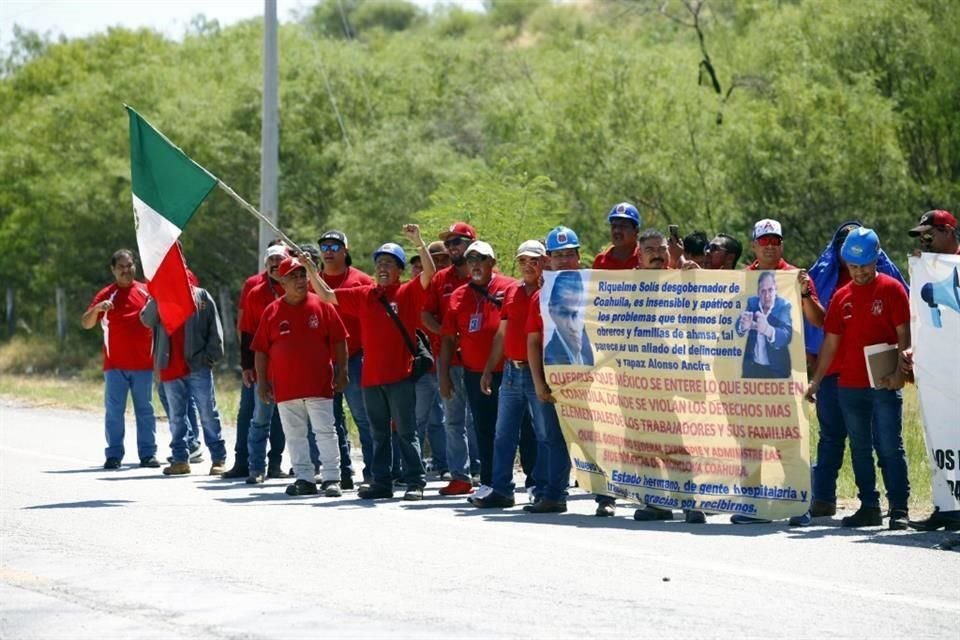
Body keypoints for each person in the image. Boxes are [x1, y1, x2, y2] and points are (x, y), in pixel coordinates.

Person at [308, 225, 436, 501]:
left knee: (406, 432)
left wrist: (418, 242)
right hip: (371, 378)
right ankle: (382, 482)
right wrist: (310, 269)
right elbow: (327, 295)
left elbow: (430, 273)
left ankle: (415, 482)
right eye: (379, 263)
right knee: (379, 434)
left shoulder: (408, 293)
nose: (382, 268)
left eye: (389, 263)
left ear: (399, 270)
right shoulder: (365, 295)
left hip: (400, 377)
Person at [793, 221, 907, 526]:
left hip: (883, 381)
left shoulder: (892, 288)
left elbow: (904, 333)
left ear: (876, 257)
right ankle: (865, 506)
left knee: (888, 446)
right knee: (856, 447)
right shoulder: (840, 293)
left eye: (865, 265)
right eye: (853, 265)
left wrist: (901, 372)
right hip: (847, 383)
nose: (859, 271)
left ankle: (899, 509)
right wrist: (816, 380)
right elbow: (829, 340)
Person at [252, 256, 348, 497]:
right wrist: (262, 382)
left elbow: (339, 340)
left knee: (325, 432)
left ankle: (332, 478)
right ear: (282, 282)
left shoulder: (322, 305)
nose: (300, 280)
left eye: (302, 275)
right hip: (287, 387)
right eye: (293, 276)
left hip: (319, 384)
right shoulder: (272, 311)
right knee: (295, 435)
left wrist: (343, 371)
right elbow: (261, 350)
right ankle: (304, 478)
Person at [472, 240, 546, 508]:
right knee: (503, 434)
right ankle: (502, 489)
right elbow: (502, 334)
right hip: (511, 372)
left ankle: (543, 488)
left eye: (534, 261)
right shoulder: (512, 291)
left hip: (538, 371)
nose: (528, 266)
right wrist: (488, 369)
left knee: (543, 434)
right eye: (523, 261)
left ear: (544, 262)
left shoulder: (549, 291)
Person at [439, 240, 515, 498]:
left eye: (480, 259)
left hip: (510, 371)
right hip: (473, 373)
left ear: (492, 262)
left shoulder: (509, 287)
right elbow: (448, 338)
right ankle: (489, 481)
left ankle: (534, 482)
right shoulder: (459, 295)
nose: (475, 265)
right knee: (484, 428)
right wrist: (443, 375)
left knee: (518, 428)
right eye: (470, 260)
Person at [140, 271, 228, 476]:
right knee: (176, 417)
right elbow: (146, 320)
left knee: (207, 412)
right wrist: (157, 295)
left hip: (198, 366)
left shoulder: (201, 296)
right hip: (170, 365)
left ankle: (218, 458)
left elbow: (215, 330)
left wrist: (209, 358)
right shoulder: (160, 296)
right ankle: (180, 460)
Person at [905, 209, 960, 533]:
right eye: (922, 236)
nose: (925, 240)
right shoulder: (925, 270)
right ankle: (947, 506)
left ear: (949, 231)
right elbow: (925, 323)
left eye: (930, 234)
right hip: (940, 372)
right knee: (940, 436)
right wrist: (916, 349)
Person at [81, 249, 158, 469]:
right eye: (121, 267)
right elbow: (86, 323)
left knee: (145, 411)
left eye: (129, 265)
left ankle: (148, 454)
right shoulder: (107, 294)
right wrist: (97, 309)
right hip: (115, 366)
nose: (126, 270)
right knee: (115, 412)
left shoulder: (146, 292)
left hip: (144, 364)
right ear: (113, 270)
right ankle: (114, 455)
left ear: (135, 266)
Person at [525, 226, 582, 514]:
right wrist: (538, 383)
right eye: (557, 255)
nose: (563, 260)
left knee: (598, 437)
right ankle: (554, 494)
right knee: (551, 437)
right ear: (548, 259)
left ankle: (605, 498)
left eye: (569, 254)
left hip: (592, 381)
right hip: (555, 381)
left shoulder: (596, 289)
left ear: (579, 256)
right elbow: (533, 341)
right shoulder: (540, 296)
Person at [423, 222, 482, 496]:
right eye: (449, 244)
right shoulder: (440, 279)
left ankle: (483, 471)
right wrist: (447, 334)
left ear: (471, 243)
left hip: (480, 361)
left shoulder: (485, 275)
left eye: (457, 242)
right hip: (448, 361)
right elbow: (425, 315)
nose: (452, 247)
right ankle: (461, 476)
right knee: (454, 420)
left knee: (478, 419)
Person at [222, 242, 287, 480]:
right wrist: (247, 364)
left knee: (280, 416)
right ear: (266, 261)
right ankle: (245, 463)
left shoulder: (295, 285)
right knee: (250, 413)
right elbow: (245, 328)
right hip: (259, 363)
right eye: (272, 259)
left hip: (286, 365)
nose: (276, 264)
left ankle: (275, 464)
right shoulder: (253, 286)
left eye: (281, 258)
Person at [317, 230, 374, 488]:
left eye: (335, 246)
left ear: (345, 250)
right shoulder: (312, 281)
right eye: (324, 247)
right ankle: (342, 474)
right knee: (330, 421)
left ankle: (373, 472)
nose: (328, 251)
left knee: (364, 417)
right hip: (323, 361)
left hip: (356, 358)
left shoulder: (361, 280)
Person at [737, 271, 793, 379]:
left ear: (776, 290)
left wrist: (768, 330)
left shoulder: (783, 306)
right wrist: (742, 326)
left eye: (770, 290)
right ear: (758, 292)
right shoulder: (752, 303)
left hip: (776, 370)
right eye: (763, 291)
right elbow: (738, 325)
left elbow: (787, 335)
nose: (767, 295)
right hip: (752, 368)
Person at [543, 271, 594, 366]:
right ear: (551, 310)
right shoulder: (550, 357)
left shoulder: (590, 349)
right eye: (564, 313)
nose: (572, 325)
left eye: (577, 314)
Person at [593, 202, 641, 269]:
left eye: (623, 226)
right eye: (614, 226)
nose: (617, 230)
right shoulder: (601, 261)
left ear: (636, 231)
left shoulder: (645, 257)